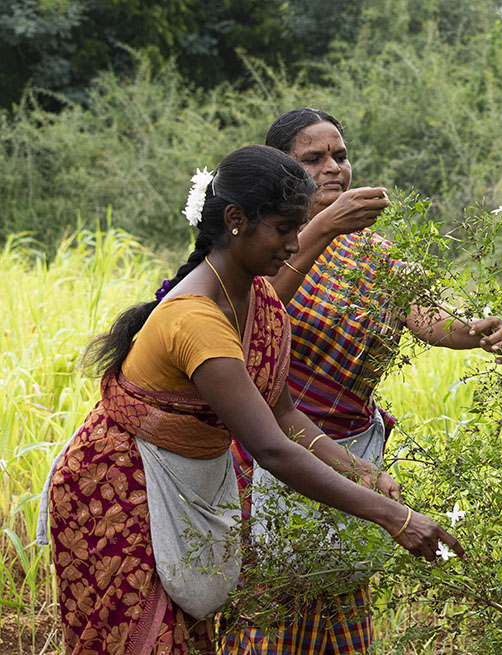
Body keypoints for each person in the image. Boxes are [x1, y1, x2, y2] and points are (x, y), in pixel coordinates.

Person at [44, 145, 462, 655]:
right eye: (285, 229)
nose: (294, 245)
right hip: (119, 492)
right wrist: (394, 517)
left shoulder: (261, 302)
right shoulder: (196, 320)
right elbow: (270, 448)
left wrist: (361, 470)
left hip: (183, 488)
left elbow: (284, 414)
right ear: (236, 220)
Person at [215, 108, 502, 653]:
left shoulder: (370, 252)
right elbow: (259, 308)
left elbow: (423, 315)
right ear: (281, 171)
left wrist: (475, 331)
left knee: (340, 595)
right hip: (274, 449)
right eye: (313, 159)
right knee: (273, 597)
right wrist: (322, 224)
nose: (334, 168)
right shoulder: (265, 247)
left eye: (341, 156)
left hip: (353, 454)